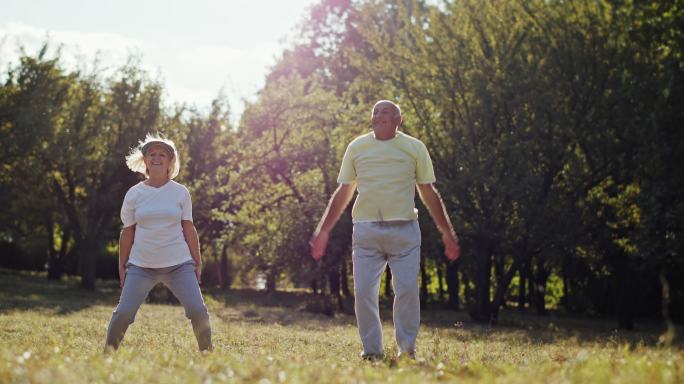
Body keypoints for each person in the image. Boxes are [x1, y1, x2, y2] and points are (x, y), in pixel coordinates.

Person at [310, 100, 460, 360]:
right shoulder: (357, 147)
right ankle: (372, 351)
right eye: (376, 112)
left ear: (398, 120)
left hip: (404, 231)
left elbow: (428, 192)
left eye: (386, 112)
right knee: (364, 292)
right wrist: (324, 230)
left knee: (407, 291)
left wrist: (446, 231)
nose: (379, 115)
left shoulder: (414, 148)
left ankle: (407, 351)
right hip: (366, 231)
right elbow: (344, 191)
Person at [104, 134, 212, 352]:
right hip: (141, 266)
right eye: (152, 154)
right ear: (145, 161)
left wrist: (197, 261)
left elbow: (188, 228)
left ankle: (208, 356)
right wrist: (122, 264)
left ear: (170, 162)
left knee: (198, 310)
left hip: (179, 265)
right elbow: (128, 232)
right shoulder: (134, 194)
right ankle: (107, 355)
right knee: (123, 312)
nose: (156, 158)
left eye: (162, 154)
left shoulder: (180, 192)